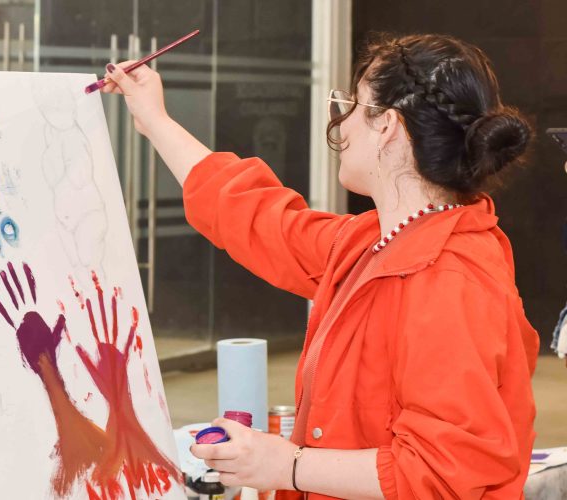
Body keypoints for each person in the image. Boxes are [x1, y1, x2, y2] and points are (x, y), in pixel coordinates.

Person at [101, 32, 539, 499]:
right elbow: (257, 218)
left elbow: (442, 474)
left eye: (353, 104)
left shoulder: (448, 280)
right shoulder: (371, 243)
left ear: (386, 124)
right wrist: (155, 119)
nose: (341, 123)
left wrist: (285, 465)